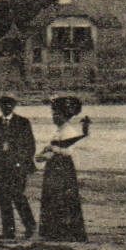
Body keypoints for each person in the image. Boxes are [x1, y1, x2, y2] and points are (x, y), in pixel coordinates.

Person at [0, 95, 35, 239]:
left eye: (8, 105)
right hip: (1, 167)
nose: (5, 108)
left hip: (18, 167)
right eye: (3, 105)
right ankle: (8, 231)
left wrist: (21, 162)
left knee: (18, 196)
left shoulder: (23, 123)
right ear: (0, 107)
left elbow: (29, 146)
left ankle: (30, 226)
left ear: (13, 106)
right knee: (3, 198)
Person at [35, 96, 88, 242]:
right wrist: (45, 153)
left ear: (64, 116)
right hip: (55, 167)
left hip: (63, 168)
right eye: (53, 114)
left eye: (57, 114)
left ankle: (64, 232)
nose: (54, 117)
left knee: (63, 198)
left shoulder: (69, 130)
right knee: (53, 197)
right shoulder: (59, 130)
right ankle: (53, 231)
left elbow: (68, 151)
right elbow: (56, 147)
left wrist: (50, 152)